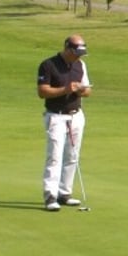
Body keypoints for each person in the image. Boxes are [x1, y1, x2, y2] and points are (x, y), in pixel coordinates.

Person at [36, 34, 93, 212]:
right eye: (77, 52)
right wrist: (66, 89)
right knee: (54, 156)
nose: (79, 56)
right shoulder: (48, 65)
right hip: (56, 116)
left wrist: (81, 90)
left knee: (72, 156)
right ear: (67, 48)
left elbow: (88, 91)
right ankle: (50, 196)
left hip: (76, 115)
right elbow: (42, 92)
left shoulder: (81, 65)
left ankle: (64, 193)